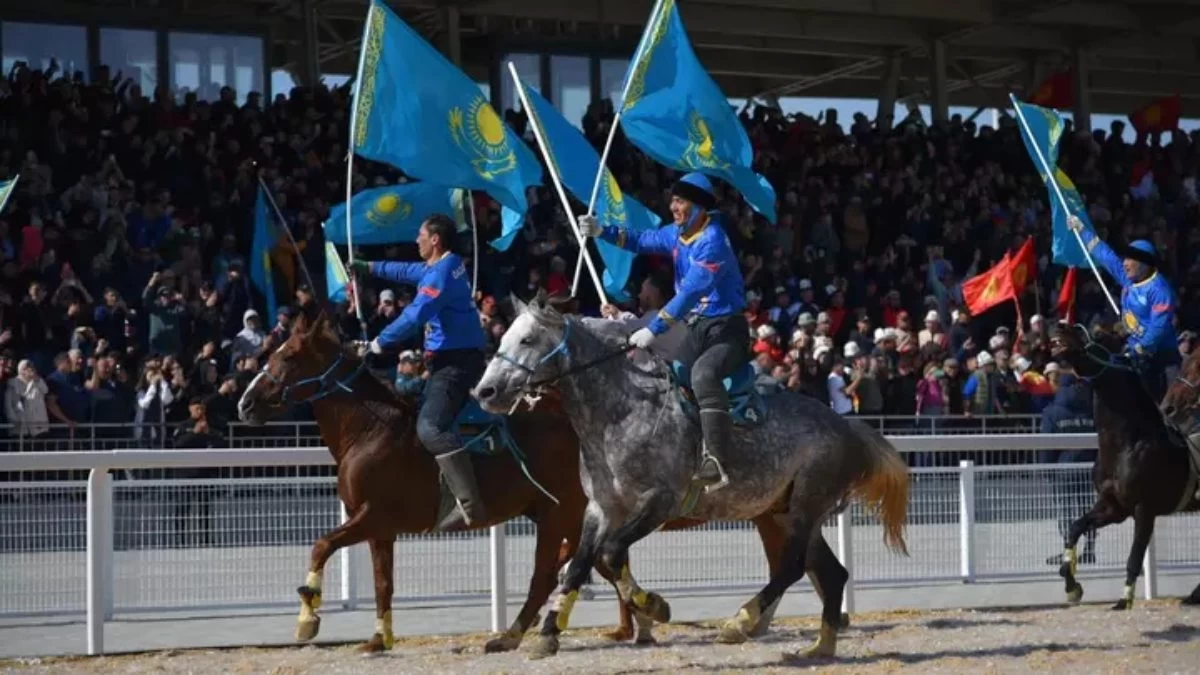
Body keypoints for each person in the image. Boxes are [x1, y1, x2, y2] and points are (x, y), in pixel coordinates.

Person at [579, 172, 749, 492]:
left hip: (726, 329)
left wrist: (654, 329)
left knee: (702, 376)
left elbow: (689, 294)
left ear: (699, 207)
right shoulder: (677, 234)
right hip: (696, 328)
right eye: (672, 199)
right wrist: (602, 230)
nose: (673, 206)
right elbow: (641, 240)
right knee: (667, 377)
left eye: (680, 200)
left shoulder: (713, 241)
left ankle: (717, 459)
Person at [349, 214, 489, 529]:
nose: (417, 240)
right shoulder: (443, 266)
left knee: (429, 429)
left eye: (421, 235)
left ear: (435, 240)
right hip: (447, 361)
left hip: (455, 364)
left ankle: (469, 504)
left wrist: (375, 345)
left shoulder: (440, 276)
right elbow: (406, 270)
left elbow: (414, 317)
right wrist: (368, 267)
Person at [1067, 215, 1180, 402]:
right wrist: (1082, 230)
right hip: (1134, 351)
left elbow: (1159, 327)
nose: (1125, 264)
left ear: (1145, 264)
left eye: (1131, 260)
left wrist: (1140, 348)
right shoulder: (1128, 278)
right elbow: (1106, 256)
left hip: (1161, 357)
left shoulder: (1159, 290)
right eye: (1126, 259)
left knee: (1172, 403)